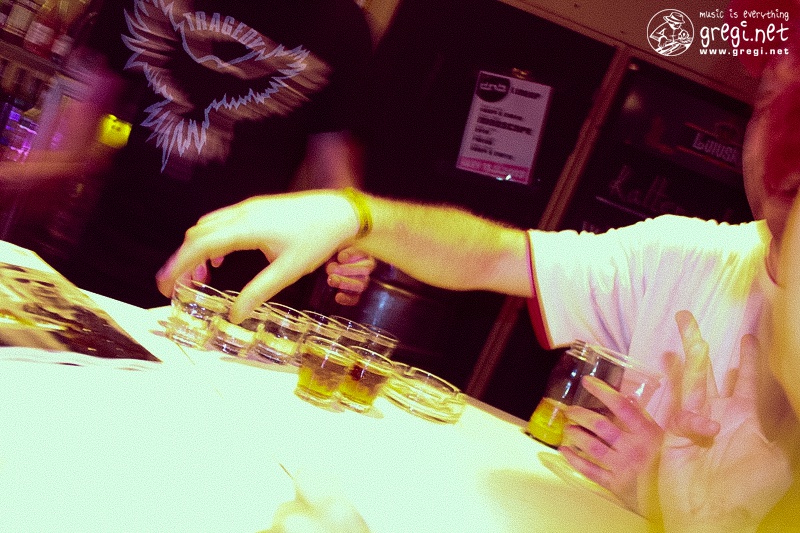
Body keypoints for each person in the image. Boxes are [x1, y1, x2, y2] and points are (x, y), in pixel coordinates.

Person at [155, 25, 800, 530]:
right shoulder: (684, 256)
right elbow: (493, 255)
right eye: (773, 97)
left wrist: (673, 505)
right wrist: (352, 214)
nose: (783, 136)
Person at [0, 0, 376, 309]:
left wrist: (352, 241)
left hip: (231, 298)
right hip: (105, 264)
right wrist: (17, 174)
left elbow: (335, 179)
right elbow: (77, 139)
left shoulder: (340, 23)